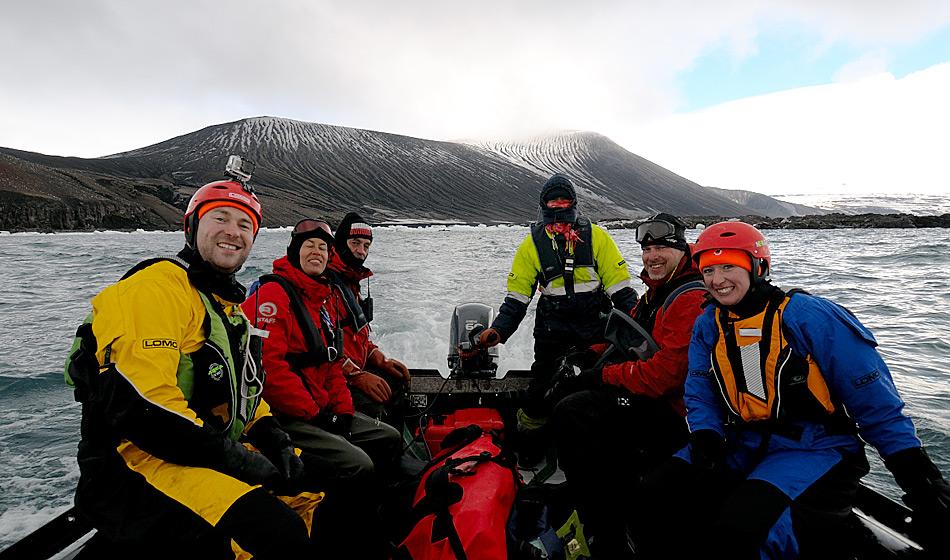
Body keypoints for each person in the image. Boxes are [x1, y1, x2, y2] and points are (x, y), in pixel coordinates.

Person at [632, 221, 950, 559]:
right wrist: (708, 435)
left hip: (815, 448)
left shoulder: (808, 317)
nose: (717, 279)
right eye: (708, 269)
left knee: (742, 531)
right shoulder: (709, 324)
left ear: (758, 267)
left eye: (729, 266)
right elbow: (700, 391)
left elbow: (874, 402)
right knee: (652, 496)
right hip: (742, 441)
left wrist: (917, 478)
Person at [67, 173, 326, 558]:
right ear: (192, 226)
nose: (233, 232)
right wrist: (240, 461)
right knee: (274, 530)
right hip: (134, 462)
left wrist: (275, 439)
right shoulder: (156, 289)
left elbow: (247, 394)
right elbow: (146, 408)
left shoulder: (227, 309)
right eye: (220, 218)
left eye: (244, 225)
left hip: (201, 449)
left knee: (315, 482)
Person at [548, 213, 706, 559]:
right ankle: (588, 504)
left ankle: (604, 532)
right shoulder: (655, 293)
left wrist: (601, 376)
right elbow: (626, 338)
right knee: (566, 393)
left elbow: (665, 376)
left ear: (682, 248)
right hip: (651, 400)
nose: (653, 255)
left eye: (662, 246)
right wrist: (588, 355)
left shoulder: (689, 299)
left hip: (678, 415)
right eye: (647, 248)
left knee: (575, 412)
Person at [474, 173, 639, 444]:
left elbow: (622, 292)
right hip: (553, 327)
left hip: (596, 326)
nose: (560, 205)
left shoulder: (598, 237)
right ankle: (531, 441)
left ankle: (593, 444)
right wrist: (498, 331)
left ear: (574, 202)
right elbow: (517, 298)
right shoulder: (531, 245)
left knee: (594, 385)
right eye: (553, 201)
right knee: (541, 388)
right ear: (544, 204)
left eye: (565, 199)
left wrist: (641, 324)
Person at [241, 218, 402, 486]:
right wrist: (316, 414)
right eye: (309, 245)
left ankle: (385, 502)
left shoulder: (319, 301)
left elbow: (331, 363)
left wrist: (343, 412)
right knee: (359, 464)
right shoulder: (273, 297)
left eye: (322, 248)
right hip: (283, 415)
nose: (316, 252)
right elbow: (268, 369)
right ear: (295, 251)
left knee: (390, 436)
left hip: (319, 405)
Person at [326, 212, 410, 423]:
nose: (361, 252)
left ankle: (398, 447)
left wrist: (380, 359)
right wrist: (356, 375)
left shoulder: (350, 281)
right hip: (332, 376)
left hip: (353, 368)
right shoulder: (325, 284)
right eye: (355, 243)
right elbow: (322, 345)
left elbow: (356, 336)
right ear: (340, 243)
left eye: (366, 245)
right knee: (374, 405)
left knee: (397, 382)